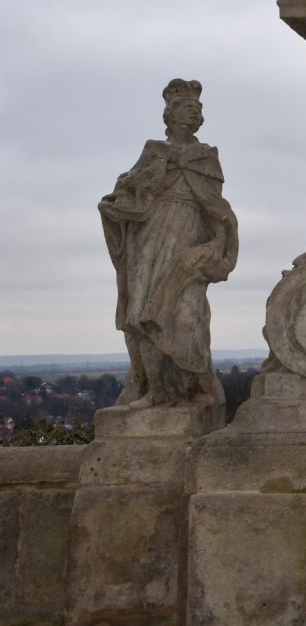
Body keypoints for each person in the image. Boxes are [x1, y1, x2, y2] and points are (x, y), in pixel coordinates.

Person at [99, 80, 238, 408]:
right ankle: (157, 392)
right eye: (187, 107)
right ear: (170, 114)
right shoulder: (153, 151)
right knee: (142, 314)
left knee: (188, 316)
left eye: (198, 108)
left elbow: (215, 207)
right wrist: (121, 198)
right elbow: (127, 189)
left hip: (189, 244)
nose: (194, 112)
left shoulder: (207, 157)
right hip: (149, 238)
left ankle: (196, 386)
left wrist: (219, 241)